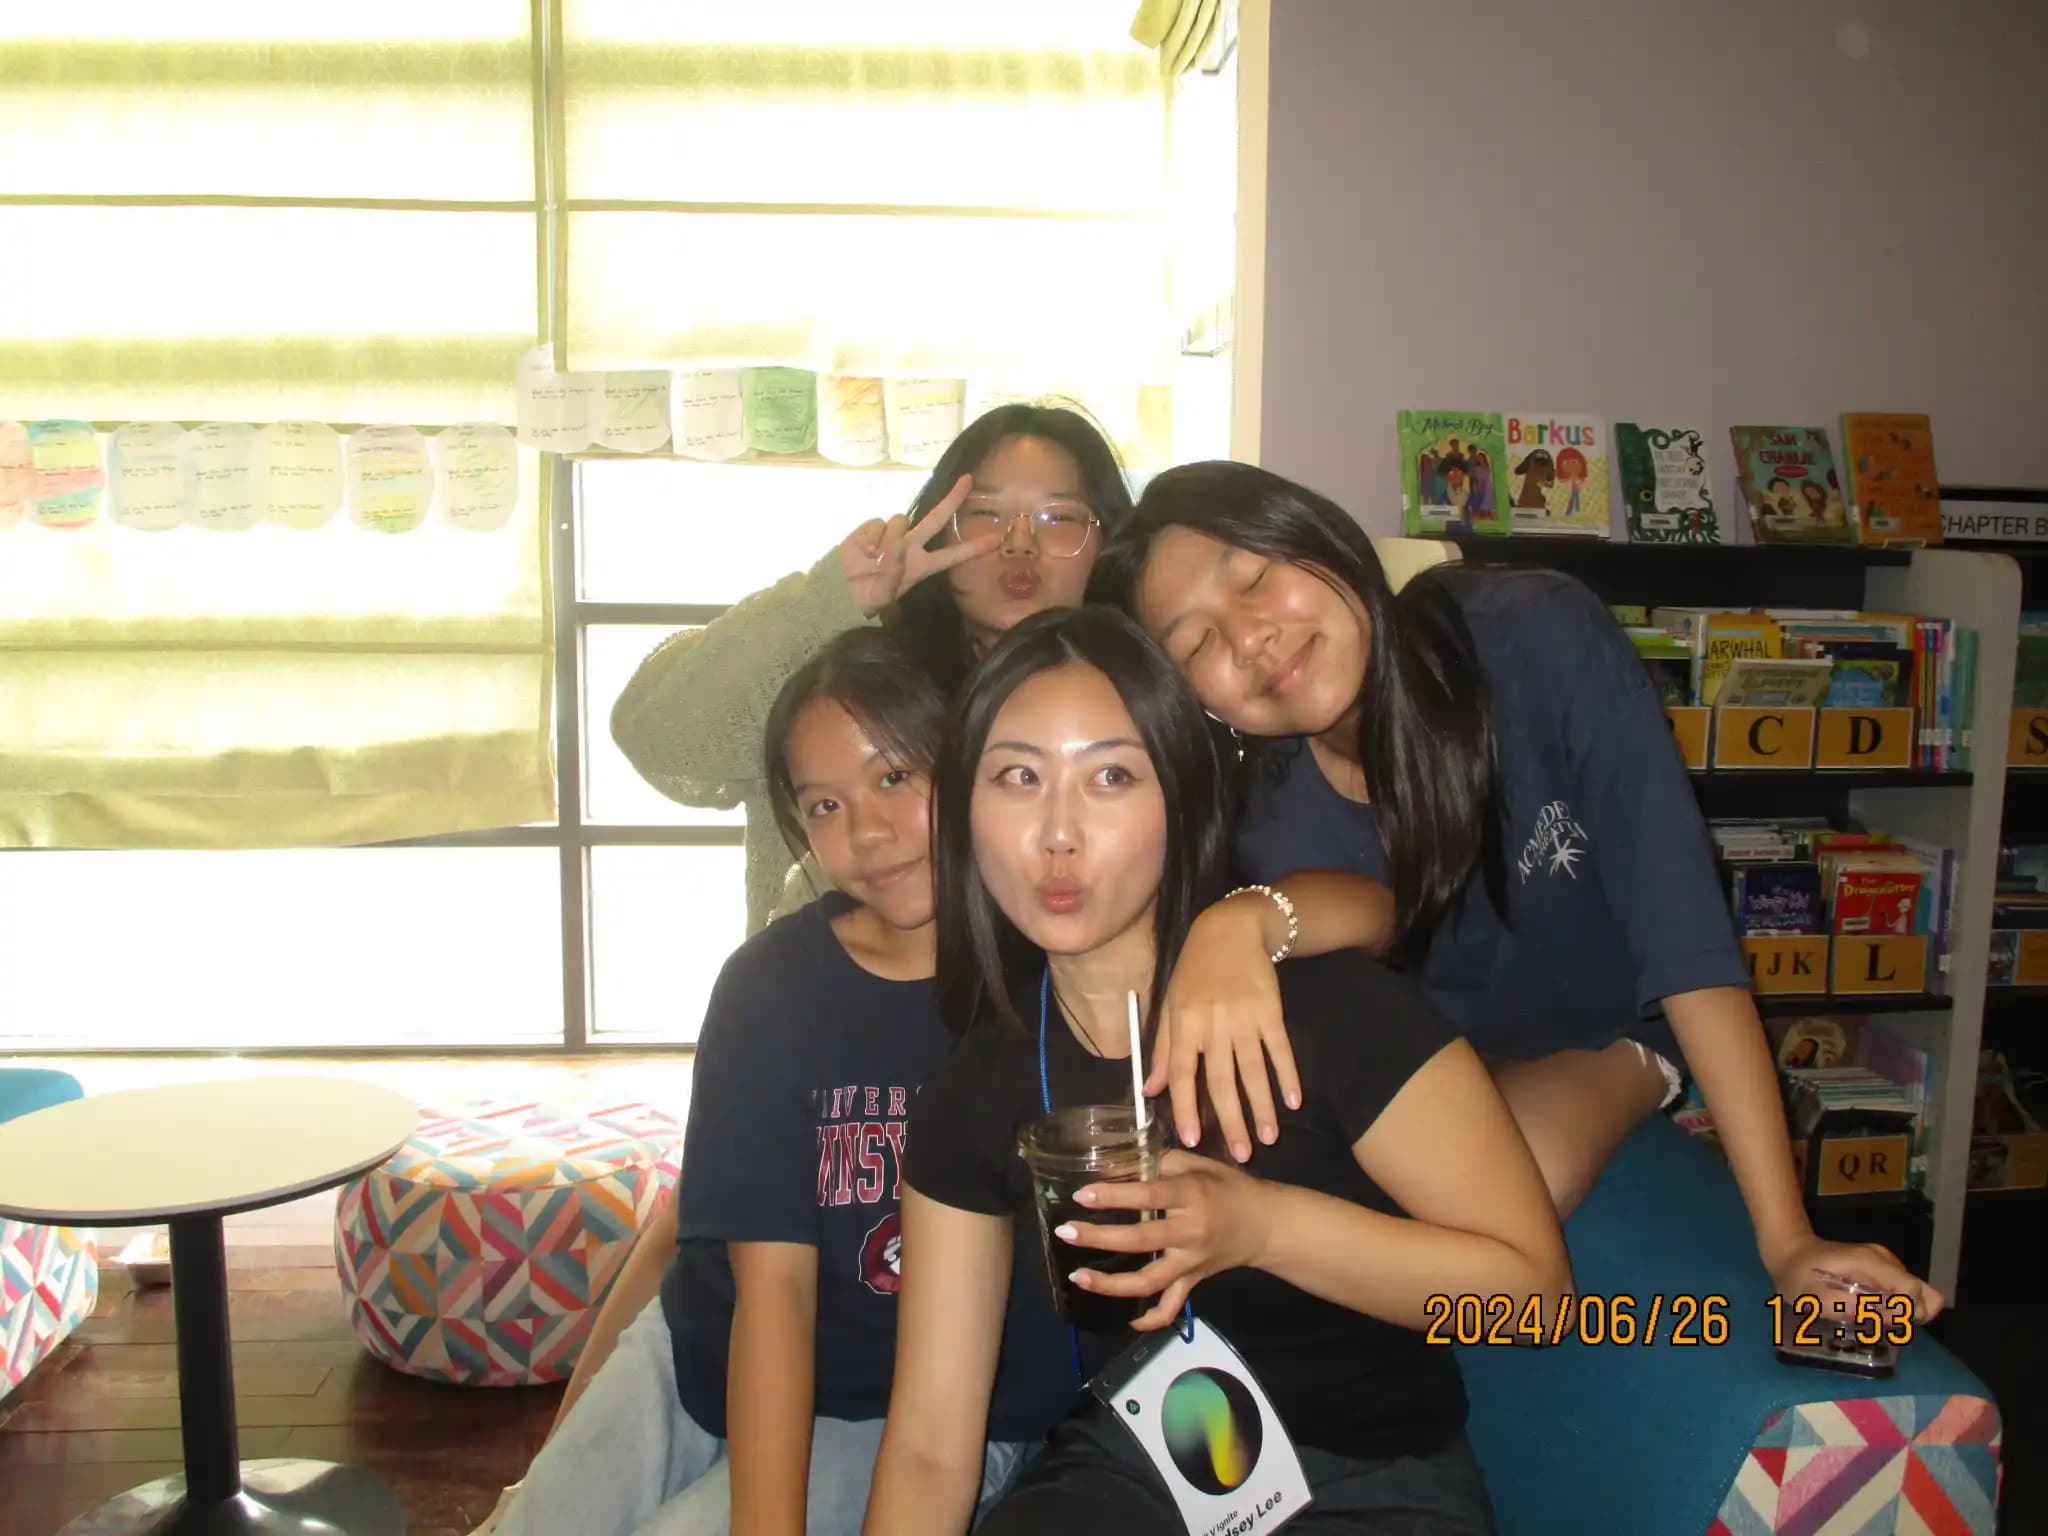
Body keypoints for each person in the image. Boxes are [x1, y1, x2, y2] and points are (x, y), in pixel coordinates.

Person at [1090, 460, 1946, 1319]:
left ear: (1324, 541)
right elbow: (1372, 915)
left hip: (1606, 1033)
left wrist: (1788, 1239)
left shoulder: (1532, 634)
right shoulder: (1256, 799)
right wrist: (1234, 924)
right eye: (1195, 643)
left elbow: (1686, 937)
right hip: (1435, 1069)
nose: (1249, 641)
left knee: (1494, 1192)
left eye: (1254, 577)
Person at [863, 607, 1568, 1534]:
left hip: (1373, 1480)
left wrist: (1259, 1225)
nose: (1058, 835)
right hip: (1136, 1465)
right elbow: (929, 1444)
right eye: (1018, 777)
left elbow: (1534, 1304)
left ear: (1183, 800)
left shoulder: (1325, 1010)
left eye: (1112, 776)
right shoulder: (981, 1085)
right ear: (965, 809)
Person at [492, 629, 1068, 1536]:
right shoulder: (772, 986)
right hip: (712, 1352)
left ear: (970, 763)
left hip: (915, 1414)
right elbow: (773, 1293)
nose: (867, 831)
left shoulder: (1049, 984)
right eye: (825, 804)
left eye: (894, 777)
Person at [610, 402, 1133, 932]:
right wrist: (828, 600)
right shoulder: (850, 674)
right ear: (939, 527)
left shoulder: (1137, 704)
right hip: (815, 1001)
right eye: (984, 514)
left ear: (1107, 541)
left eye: (1058, 517)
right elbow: (659, 742)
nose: (1020, 541)